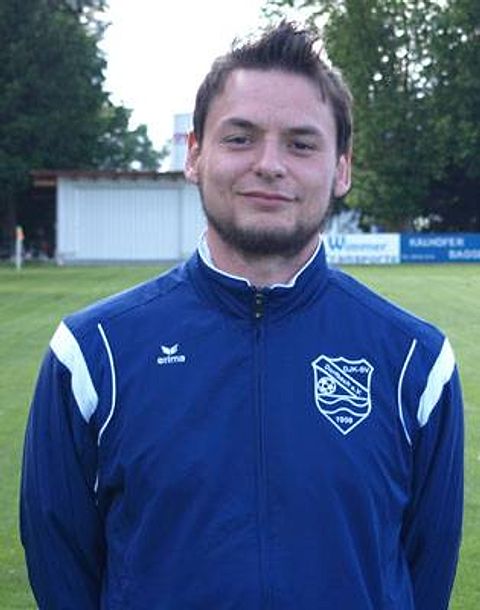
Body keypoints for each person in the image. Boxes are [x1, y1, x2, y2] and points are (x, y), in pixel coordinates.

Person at [20, 22, 463, 610]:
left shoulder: (416, 363)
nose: (270, 164)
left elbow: (425, 571)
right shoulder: (91, 355)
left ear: (342, 169)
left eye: (301, 144)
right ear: (194, 154)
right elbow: (62, 568)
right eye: (240, 138)